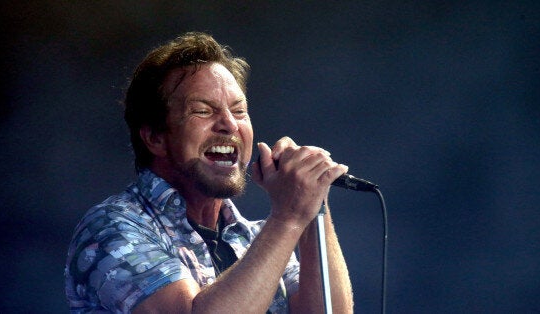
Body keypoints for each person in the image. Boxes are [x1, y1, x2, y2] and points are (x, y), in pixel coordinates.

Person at [64, 32, 354, 313]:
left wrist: (314, 204)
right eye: (203, 111)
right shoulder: (111, 227)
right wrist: (289, 217)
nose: (229, 125)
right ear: (155, 138)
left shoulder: (255, 239)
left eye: (239, 111)